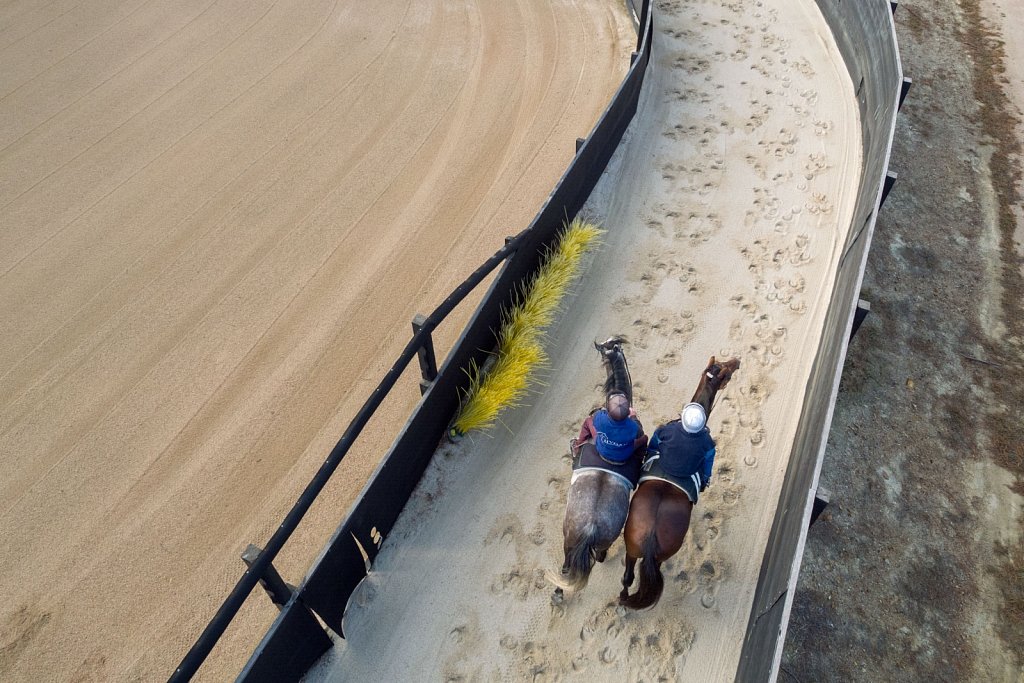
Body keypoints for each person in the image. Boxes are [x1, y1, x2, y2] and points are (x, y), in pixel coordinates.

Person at [639, 402, 716, 503]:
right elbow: (708, 462)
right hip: (688, 473)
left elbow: (654, 444)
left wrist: (650, 453)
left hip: (663, 465)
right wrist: (705, 477)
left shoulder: (667, 429)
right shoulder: (707, 441)